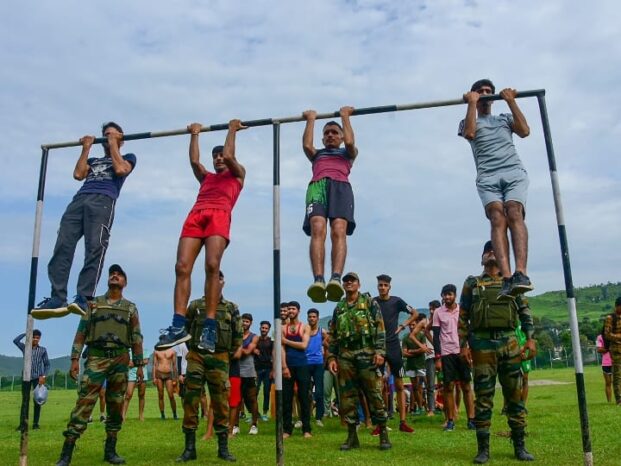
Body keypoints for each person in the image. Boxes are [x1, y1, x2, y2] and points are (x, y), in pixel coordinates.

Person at [157, 120, 246, 352]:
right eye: (214, 155)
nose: (218, 158)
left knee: (212, 265)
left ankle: (210, 324)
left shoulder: (237, 174)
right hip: (197, 214)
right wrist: (194, 134)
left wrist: (232, 130)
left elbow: (229, 156)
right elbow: (195, 161)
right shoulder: (206, 178)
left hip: (219, 214)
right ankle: (178, 325)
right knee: (181, 266)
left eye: (220, 155)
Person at [32, 123, 136, 319]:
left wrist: (114, 144)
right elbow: (78, 174)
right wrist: (86, 148)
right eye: (105, 135)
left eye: (111, 135)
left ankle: (84, 297)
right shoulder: (95, 159)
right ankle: (57, 297)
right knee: (63, 245)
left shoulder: (128, 157)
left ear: (121, 138)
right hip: (80, 199)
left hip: (102, 201)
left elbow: (121, 170)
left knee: (94, 247)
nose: (107, 138)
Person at [55, 264, 144, 466]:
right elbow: (82, 331)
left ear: (125, 283)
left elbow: (136, 336)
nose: (115, 275)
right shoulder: (93, 304)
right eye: (112, 273)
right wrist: (75, 359)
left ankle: (110, 450)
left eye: (120, 274)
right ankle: (66, 453)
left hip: (121, 360)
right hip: (96, 358)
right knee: (84, 403)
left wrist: (139, 365)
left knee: (116, 404)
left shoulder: (130, 307)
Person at [459, 240, 536, 463]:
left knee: (515, 396)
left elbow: (524, 311)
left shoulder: (511, 282)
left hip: (510, 342)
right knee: (483, 397)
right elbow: (463, 315)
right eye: (487, 251)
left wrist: (530, 339)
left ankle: (520, 446)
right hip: (481, 345)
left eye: (495, 250)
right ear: (481, 258)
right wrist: (462, 345)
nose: (491, 253)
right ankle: (483, 449)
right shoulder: (472, 283)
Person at [459, 80, 533, 299]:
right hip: (487, 176)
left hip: (512, 171)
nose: (485, 95)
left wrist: (510, 102)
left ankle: (521, 272)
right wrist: (471, 103)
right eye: (480, 92)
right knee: (497, 218)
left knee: (513, 211)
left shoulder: (503, 119)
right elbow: (470, 133)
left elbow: (525, 131)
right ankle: (507, 277)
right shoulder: (466, 120)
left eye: (488, 92)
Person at [176, 270, 241, 462]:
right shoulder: (195, 305)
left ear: (223, 282)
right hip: (196, 357)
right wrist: (194, 350)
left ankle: (223, 449)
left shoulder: (231, 307)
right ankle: (189, 449)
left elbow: (237, 336)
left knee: (221, 401)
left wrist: (225, 355)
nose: (216, 280)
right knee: (190, 399)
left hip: (220, 358)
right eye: (213, 277)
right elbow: (186, 331)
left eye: (220, 278)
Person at [326, 272, 391, 451]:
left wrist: (380, 352)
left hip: (367, 354)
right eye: (346, 281)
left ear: (358, 284)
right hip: (346, 356)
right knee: (347, 398)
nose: (348, 283)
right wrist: (331, 356)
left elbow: (380, 327)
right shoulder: (339, 307)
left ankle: (383, 433)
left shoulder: (370, 303)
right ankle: (352, 436)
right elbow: (333, 334)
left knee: (374, 394)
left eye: (352, 280)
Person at [302, 107, 358, 303]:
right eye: (326, 133)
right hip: (317, 187)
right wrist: (311, 119)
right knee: (318, 229)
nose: (330, 136)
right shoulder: (317, 154)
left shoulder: (347, 153)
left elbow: (350, 142)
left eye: (335, 133)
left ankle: (335, 277)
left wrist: (344, 117)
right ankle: (318, 279)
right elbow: (307, 145)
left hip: (340, 187)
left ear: (341, 137)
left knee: (338, 230)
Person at [374, 274, 417, 432]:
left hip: (393, 347)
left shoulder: (397, 301)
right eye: (380, 285)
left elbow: (415, 313)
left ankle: (403, 422)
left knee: (399, 384)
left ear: (389, 287)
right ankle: (381, 423)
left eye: (385, 285)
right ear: (377, 286)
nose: (383, 287)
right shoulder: (373, 303)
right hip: (378, 347)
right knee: (379, 386)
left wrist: (403, 325)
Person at [432, 284, 475, 432]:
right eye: (444, 295)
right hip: (446, 353)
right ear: (441, 296)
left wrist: (470, 350)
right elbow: (436, 336)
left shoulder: (462, 310)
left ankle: (471, 420)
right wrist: (438, 358)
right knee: (448, 387)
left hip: (462, 352)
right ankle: (450, 420)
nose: (446, 297)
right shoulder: (438, 312)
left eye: (449, 294)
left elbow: (469, 331)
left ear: (455, 295)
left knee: (466, 386)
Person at [282, 301, 312, 438]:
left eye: (293, 308)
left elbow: (304, 345)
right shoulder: (283, 328)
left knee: (304, 397)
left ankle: (307, 429)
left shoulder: (305, 327)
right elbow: (281, 349)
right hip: (288, 366)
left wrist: (286, 341)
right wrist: (284, 367)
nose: (290, 311)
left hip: (302, 365)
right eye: (289, 309)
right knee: (287, 398)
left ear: (298, 311)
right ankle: (287, 430)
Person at [14, 329, 50, 430]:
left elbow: (47, 364)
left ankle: (35, 424)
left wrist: (44, 376)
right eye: (34, 337)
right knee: (25, 401)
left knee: (37, 400)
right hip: (26, 378)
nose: (36, 339)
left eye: (38, 338)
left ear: (40, 339)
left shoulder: (42, 350)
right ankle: (22, 424)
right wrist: (27, 333)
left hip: (37, 379)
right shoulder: (25, 348)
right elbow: (15, 341)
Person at [306, 308, 328, 426]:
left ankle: (319, 417)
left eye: (314, 316)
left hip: (318, 363)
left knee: (319, 391)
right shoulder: (304, 331)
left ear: (318, 318)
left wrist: (325, 358)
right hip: (306, 363)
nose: (312, 318)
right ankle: (305, 416)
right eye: (310, 316)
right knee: (305, 391)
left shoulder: (322, 331)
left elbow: (328, 343)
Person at [239, 313, 260, 434]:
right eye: (243, 321)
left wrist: (236, 348)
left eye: (247, 321)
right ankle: (235, 425)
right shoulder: (236, 336)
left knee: (252, 398)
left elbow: (247, 351)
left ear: (251, 323)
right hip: (237, 370)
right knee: (237, 399)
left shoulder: (254, 337)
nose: (244, 323)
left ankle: (254, 424)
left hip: (249, 371)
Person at [403, 318, 428, 414]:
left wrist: (411, 351)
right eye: (410, 325)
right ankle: (420, 407)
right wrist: (417, 351)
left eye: (413, 324)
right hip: (411, 365)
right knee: (415, 387)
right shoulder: (405, 337)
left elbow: (424, 349)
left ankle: (430, 407)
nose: (411, 326)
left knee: (427, 386)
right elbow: (404, 353)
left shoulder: (421, 336)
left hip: (421, 364)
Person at [253, 320, 273, 421]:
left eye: (266, 328)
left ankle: (265, 413)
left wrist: (273, 370)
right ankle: (255, 413)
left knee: (266, 391)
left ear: (268, 329)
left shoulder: (271, 341)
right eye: (262, 328)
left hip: (268, 369)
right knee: (255, 391)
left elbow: (274, 355)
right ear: (260, 328)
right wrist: (253, 350)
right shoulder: (256, 340)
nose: (264, 329)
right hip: (257, 369)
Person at [603, 297, 621, 406]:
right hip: (616, 351)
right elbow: (607, 334)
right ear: (617, 306)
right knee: (618, 376)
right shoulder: (610, 318)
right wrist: (619, 337)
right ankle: (619, 399)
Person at [123, 350, 150, 421]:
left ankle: (141, 415)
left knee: (141, 395)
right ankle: (123, 415)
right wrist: (140, 362)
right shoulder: (128, 351)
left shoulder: (145, 350)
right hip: (131, 375)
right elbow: (128, 364)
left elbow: (146, 361)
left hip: (143, 374)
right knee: (128, 395)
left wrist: (134, 363)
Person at [153, 348, 179, 420]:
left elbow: (174, 365)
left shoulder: (172, 351)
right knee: (160, 395)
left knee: (171, 395)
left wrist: (175, 378)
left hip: (168, 374)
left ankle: (175, 414)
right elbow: (154, 365)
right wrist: (154, 377)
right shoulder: (157, 351)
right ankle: (162, 415)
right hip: (159, 374)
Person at [596, 327, 613, 403]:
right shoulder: (600, 337)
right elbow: (599, 349)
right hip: (606, 363)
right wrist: (609, 348)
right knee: (608, 383)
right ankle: (609, 401)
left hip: (617, 362)